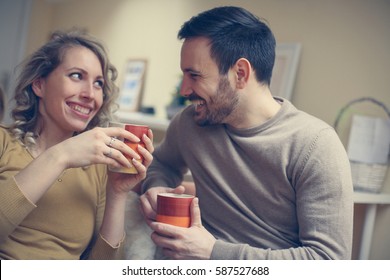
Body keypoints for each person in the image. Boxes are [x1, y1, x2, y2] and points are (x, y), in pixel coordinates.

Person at [140, 6, 353, 260]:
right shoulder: (190, 124)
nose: (185, 90)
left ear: (240, 74)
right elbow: (161, 163)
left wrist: (214, 252)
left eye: (194, 75)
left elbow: (329, 261)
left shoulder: (315, 146)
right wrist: (157, 186)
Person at [0, 30, 154, 259]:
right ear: (39, 85)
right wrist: (60, 155)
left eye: (98, 83)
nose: (90, 94)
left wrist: (117, 193)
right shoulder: (4, 142)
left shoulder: (98, 169)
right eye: (76, 76)